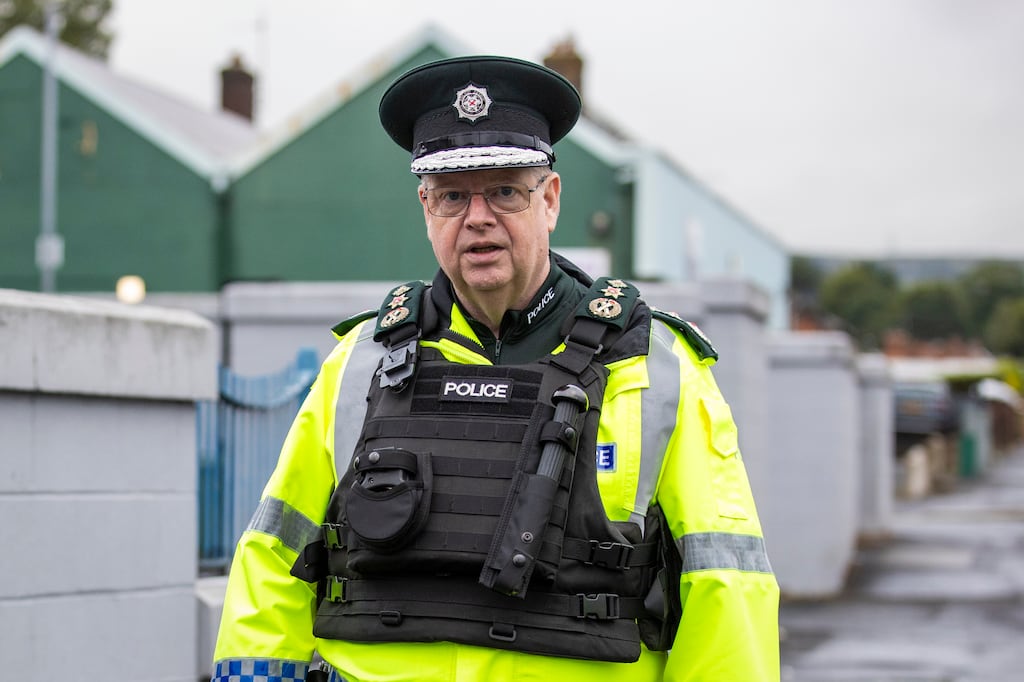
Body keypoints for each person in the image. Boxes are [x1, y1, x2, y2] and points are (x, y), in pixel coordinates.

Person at [212, 55, 780, 682]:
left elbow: (727, 583)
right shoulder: (360, 363)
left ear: (551, 199)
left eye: (505, 190)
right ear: (426, 208)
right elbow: (273, 557)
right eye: (453, 196)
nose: (477, 218)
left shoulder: (655, 367)